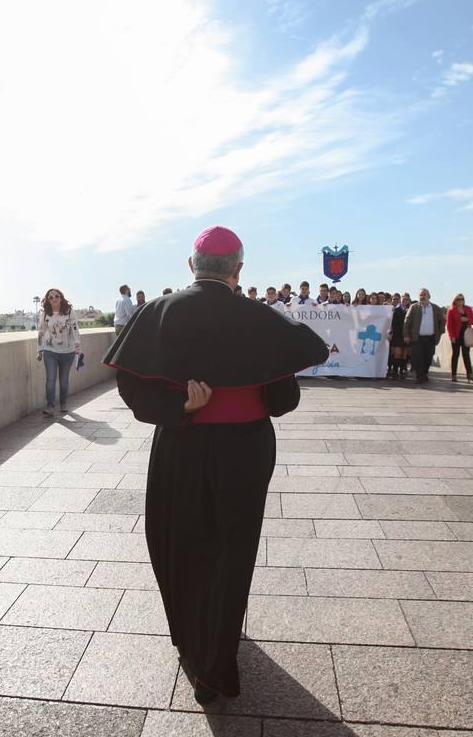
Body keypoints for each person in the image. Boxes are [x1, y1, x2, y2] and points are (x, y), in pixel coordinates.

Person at [104, 226, 327, 704]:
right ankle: (216, 665)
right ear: (238, 270)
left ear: (192, 266)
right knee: (232, 551)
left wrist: (180, 408)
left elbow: (132, 389)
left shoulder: (157, 312)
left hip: (181, 446)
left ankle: (190, 640)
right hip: (245, 450)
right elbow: (283, 398)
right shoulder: (262, 318)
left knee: (180, 542)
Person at [37, 287, 82, 416]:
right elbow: (41, 332)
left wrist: (78, 346)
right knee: (50, 379)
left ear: (61, 297)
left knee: (63, 380)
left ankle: (63, 403)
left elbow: (74, 329)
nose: (54, 299)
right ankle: (50, 406)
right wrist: (39, 350)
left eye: (57, 296)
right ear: (47, 300)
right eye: (51, 297)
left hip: (68, 351)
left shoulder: (69, 311)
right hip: (50, 350)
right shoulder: (45, 313)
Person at [403, 288, 440, 383]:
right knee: (417, 357)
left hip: (431, 337)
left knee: (428, 357)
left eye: (424, 295)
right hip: (417, 338)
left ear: (429, 296)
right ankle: (420, 376)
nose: (422, 297)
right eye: (420, 295)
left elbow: (442, 321)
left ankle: (424, 374)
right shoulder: (414, 307)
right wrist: (406, 335)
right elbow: (407, 321)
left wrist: (440, 332)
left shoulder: (435, 308)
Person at [446, 293, 473, 382]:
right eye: (458, 299)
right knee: (455, 355)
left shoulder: (468, 309)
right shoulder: (451, 310)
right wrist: (451, 336)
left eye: (462, 299)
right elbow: (449, 325)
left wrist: (467, 320)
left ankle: (469, 374)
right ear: (455, 300)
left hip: (467, 335)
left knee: (466, 354)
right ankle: (454, 375)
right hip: (456, 336)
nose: (460, 301)